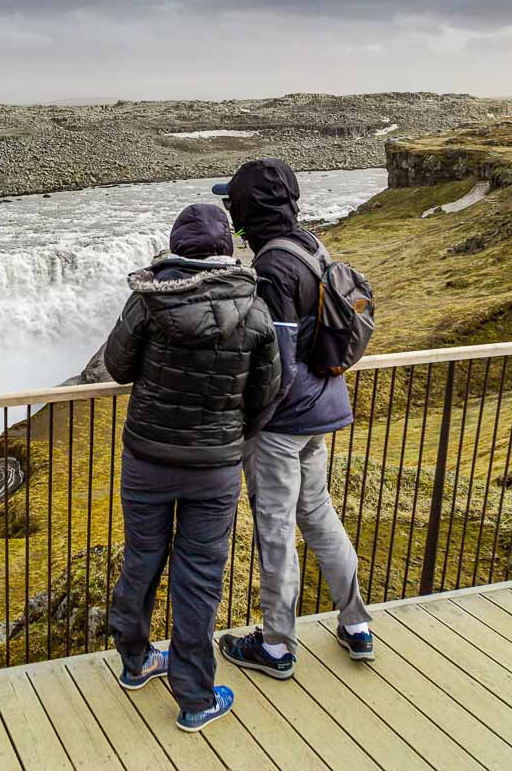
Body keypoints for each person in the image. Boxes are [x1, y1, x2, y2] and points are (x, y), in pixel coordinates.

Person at [103, 202, 281, 732]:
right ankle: (196, 698)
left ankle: (135, 662)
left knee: (142, 560)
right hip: (215, 469)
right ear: (227, 246)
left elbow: (117, 367)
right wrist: (232, 437)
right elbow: (266, 392)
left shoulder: (149, 300)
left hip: (147, 459)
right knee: (199, 578)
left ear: (176, 244)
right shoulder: (255, 309)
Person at [214, 159, 375, 679]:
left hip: (284, 424)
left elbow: (276, 360)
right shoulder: (308, 245)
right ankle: (356, 626)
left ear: (247, 211)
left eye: (232, 203)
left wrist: (252, 421)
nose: (229, 212)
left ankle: (278, 647)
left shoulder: (272, 268)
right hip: (321, 407)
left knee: (276, 528)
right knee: (319, 513)